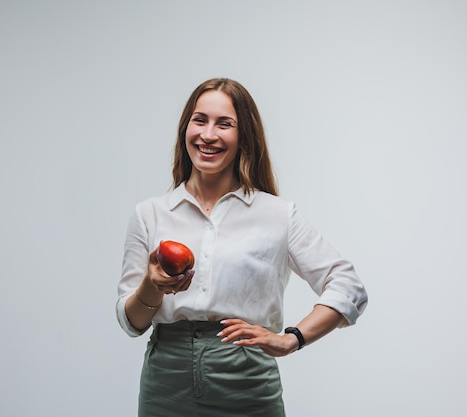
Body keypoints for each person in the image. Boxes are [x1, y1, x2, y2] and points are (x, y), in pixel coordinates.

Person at [116, 78, 368, 417]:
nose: (208, 134)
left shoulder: (277, 214)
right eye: (200, 120)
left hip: (247, 382)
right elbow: (131, 323)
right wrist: (152, 285)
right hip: (166, 384)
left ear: (243, 137)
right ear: (185, 128)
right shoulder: (150, 214)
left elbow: (348, 286)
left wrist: (292, 339)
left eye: (225, 124)